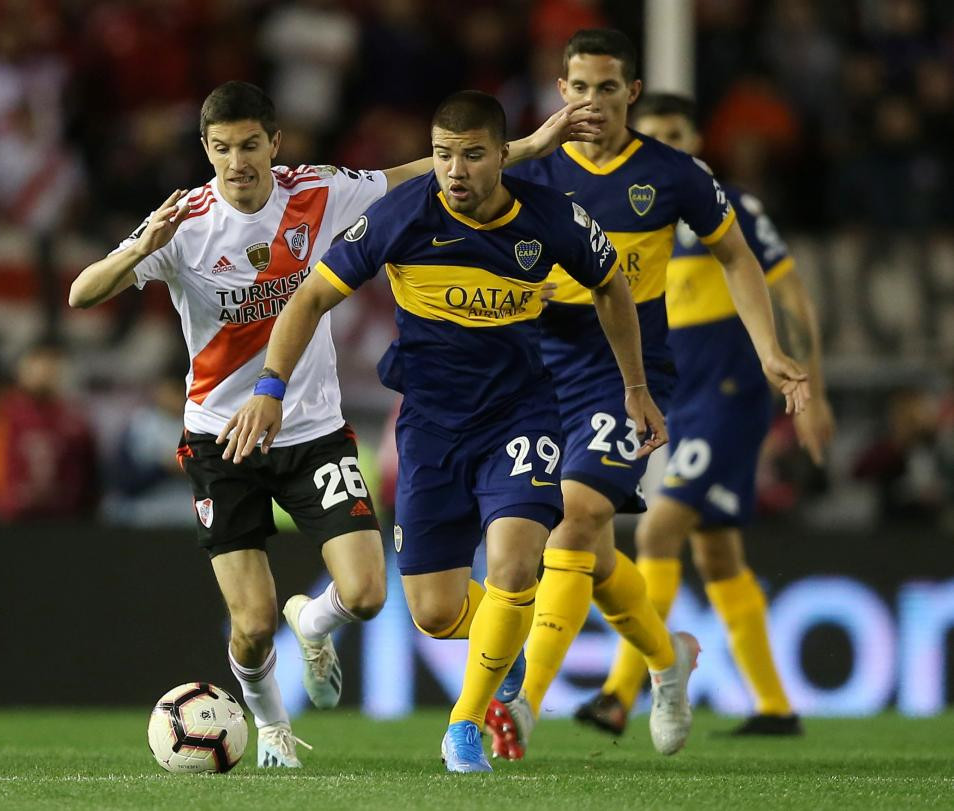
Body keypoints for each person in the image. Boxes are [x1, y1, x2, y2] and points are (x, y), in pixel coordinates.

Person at [68, 81, 598, 768]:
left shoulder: (317, 190)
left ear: (274, 144)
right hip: (218, 436)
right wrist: (140, 250)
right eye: (223, 148)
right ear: (206, 150)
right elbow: (84, 291)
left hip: (311, 426)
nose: (238, 161)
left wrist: (522, 148)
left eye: (251, 144)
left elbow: (409, 177)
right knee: (254, 625)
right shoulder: (184, 220)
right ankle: (272, 727)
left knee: (368, 593)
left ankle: (315, 621)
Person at [220, 89, 661, 773]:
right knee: (432, 611)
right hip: (429, 426)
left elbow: (611, 287)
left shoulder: (549, 218)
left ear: (500, 158)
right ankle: (504, 642)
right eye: (444, 155)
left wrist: (635, 387)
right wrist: (270, 389)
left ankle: (463, 727)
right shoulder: (403, 214)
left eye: (473, 155)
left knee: (516, 563)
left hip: (521, 415)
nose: (454, 170)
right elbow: (309, 296)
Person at [487, 29, 811, 759]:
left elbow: (736, 254)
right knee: (593, 554)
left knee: (574, 519)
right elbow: (454, 179)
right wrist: (523, 150)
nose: (593, 102)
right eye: (579, 87)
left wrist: (769, 351)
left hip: (626, 372)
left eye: (608, 88)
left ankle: (524, 710)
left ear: (631, 92)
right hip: (539, 368)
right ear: (559, 90)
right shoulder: (532, 171)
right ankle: (668, 660)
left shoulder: (670, 173)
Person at [574, 92, 834, 737]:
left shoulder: (728, 208)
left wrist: (816, 392)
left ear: (694, 140)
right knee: (718, 555)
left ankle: (619, 691)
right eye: (654, 133)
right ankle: (776, 708)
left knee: (658, 534)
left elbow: (793, 292)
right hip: (672, 399)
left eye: (677, 133)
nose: (666, 143)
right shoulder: (635, 215)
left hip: (724, 398)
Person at [0, 341, 100, 522]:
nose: (44, 376)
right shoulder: (7, 413)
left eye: (51, 370)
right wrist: (4, 504)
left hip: (64, 516)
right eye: (38, 370)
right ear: (23, 372)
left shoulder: (73, 417)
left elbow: (87, 468)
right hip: (16, 515)